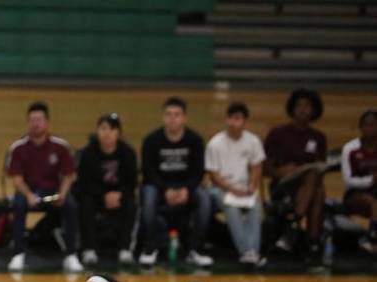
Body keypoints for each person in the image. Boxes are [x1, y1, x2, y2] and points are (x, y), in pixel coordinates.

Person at [139, 97, 214, 268]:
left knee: (204, 198)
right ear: (163, 117)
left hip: (187, 187)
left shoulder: (195, 140)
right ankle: (150, 248)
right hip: (159, 187)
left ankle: (196, 249)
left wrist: (186, 190)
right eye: (168, 114)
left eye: (177, 114)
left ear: (184, 118)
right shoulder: (151, 140)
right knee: (148, 195)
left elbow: (198, 171)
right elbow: (148, 172)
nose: (172, 118)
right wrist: (165, 190)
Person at [6, 101, 80, 272]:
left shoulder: (60, 146)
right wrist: (28, 194)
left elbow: (69, 175)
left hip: (53, 191)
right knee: (18, 204)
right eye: (32, 120)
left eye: (39, 120)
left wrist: (62, 193)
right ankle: (18, 254)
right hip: (28, 191)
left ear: (47, 123)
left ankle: (71, 255)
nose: (35, 124)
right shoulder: (18, 148)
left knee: (71, 204)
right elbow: (16, 178)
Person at [264, 88, 327, 264]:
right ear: (292, 108)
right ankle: (312, 243)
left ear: (315, 110)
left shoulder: (319, 137)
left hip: (306, 188)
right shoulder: (278, 133)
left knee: (316, 185)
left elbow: (321, 167)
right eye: (299, 105)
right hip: (282, 186)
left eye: (307, 105)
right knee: (316, 189)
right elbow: (265, 168)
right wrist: (280, 171)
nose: (302, 109)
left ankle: (296, 229)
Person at [205, 102, 267, 268]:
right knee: (230, 205)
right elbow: (214, 175)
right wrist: (232, 190)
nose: (234, 122)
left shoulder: (253, 141)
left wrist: (252, 185)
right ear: (226, 120)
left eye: (238, 119)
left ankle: (252, 252)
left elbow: (256, 166)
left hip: (244, 188)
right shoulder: (215, 143)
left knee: (255, 205)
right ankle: (247, 251)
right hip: (220, 188)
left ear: (245, 122)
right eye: (231, 118)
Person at [75, 113, 138, 266]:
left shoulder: (128, 153)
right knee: (85, 203)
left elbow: (132, 181)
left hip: (120, 196)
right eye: (103, 128)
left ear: (118, 133)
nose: (107, 133)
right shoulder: (88, 153)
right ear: (97, 131)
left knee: (131, 203)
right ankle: (88, 249)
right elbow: (84, 182)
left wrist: (119, 194)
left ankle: (125, 249)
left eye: (111, 129)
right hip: (95, 196)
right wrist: (103, 196)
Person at [340, 109, 377, 253]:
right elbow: (347, 181)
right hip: (355, 194)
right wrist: (371, 180)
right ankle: (372, 237)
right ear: (361, 127)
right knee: (375, 203)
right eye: (367, 125)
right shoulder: (350, 149)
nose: (370, 128)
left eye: (374, 125)